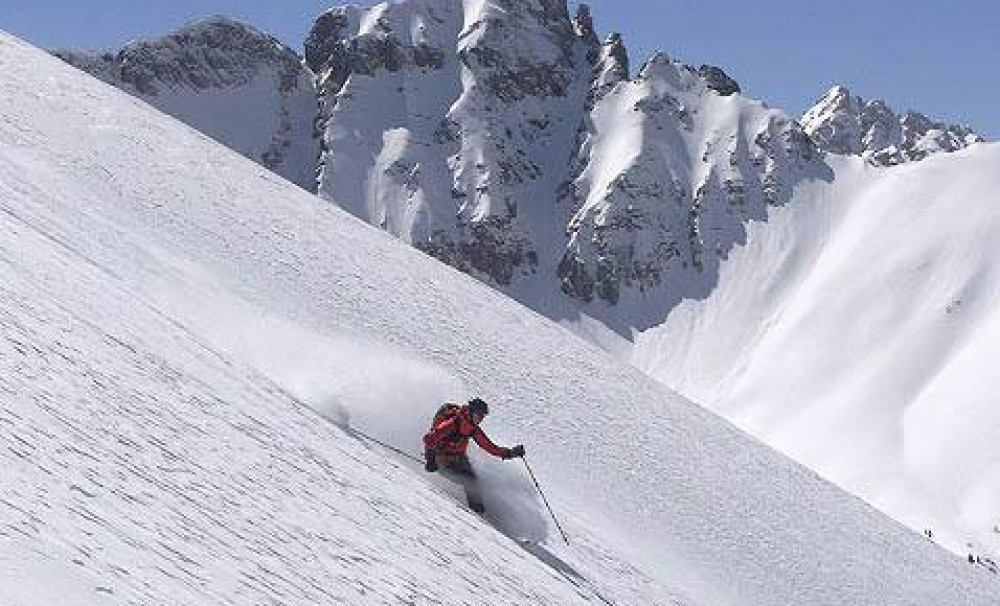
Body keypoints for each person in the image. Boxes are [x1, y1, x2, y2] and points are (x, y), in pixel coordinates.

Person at [422, 397, 524, 513]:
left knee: (474, 481)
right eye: (479, 415)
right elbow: (429, 438)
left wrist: (511, 453)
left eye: (482, 417)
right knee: (470, 481)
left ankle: (478, 512)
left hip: (460, 458)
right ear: (470, 412)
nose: (480, 419)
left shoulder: (473, 429)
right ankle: (476, 516)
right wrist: (430, 460)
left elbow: (490, 447)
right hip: (441, 460)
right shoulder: (453, 424)